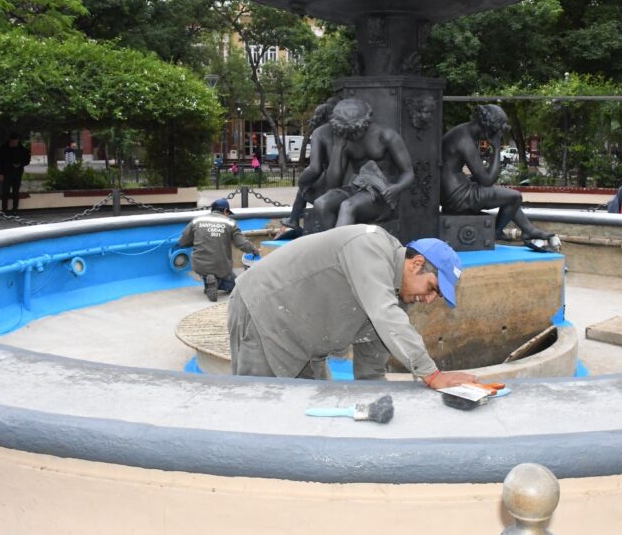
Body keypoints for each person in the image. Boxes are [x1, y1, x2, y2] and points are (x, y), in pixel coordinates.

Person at [227, 223, 479, 388]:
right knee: (259, 409)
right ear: (416, 264)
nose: (430, 299)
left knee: (319, 414)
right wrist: (433, 375)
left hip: (304, 342)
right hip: (264, 312)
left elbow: (370, 373)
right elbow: (384, 315)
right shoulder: (370, 246)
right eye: (433, 288)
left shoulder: (395, 296)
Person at [440, 104, 556, 249]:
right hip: (458, 197)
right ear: (490, 128)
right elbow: (487, 180)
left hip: (452, 190)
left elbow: (479, 176)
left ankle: (528, 230)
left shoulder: (463, 131)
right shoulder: (465, 140)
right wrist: (495, 147)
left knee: (504, 196)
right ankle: (495, 232)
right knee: (515, 197)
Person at [312, 98, 415, 230]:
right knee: (321, 203)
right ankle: (334, 245)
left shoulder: (386, 136)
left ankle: (339, 247)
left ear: (365, 123)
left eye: (356, 131)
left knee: (348, 206)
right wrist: (338, 147)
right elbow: (333, 184)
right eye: (348, 132)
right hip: (356, 188)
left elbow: (408, 172)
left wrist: (397, 188)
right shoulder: (346, 138)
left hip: (382, 195)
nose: (352, 136)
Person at [177, 198, 259, 302]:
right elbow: (241, 244)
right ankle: (216, 282)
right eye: (228, 212)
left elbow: (183, 241)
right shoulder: (230, 223)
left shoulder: (197, 220)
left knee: (206, 268)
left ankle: (209, 281)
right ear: (225, 210)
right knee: (235, 286)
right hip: (221, 265)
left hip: (199, 265)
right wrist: (254, 249)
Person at [281, 97, 339, 230]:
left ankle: (293, 220)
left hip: (331, 185)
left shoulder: (320, 132)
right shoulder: (346, 130)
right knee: (308, 186)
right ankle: (293, 220)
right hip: (346, 183)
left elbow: (315, 169)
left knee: (303, 188)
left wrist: (302, 180)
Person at [0, 133, 31, 214]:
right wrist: (0, 173)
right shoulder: (4, 149)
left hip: (17, 173)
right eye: (13, 141)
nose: (15, 143)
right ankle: (4, 209)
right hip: (6, 172)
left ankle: (15, 209)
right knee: (5, 191)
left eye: (16, 141)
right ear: (10, 140)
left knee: (16, 192)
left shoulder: (21, 149)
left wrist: (20, 164)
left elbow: (27, 159)